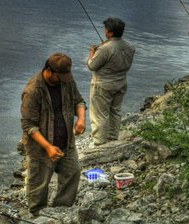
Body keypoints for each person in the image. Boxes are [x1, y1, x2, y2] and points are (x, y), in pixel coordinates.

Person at [20, 52, 86, 216]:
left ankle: (60, 211)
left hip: (66, 142)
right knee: (39, 184)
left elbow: (79, 101)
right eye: (60, 77)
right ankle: (37, 214)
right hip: (41, 148)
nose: (64, 80)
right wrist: (48, 147)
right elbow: (29, 125)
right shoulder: (33, 90)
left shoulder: (66, 81)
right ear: (49, 71)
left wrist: (82, 119)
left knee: (73, 172)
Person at [87, 17, 135, 145]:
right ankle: (113, 137)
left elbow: (92, 66)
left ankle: (99, 142)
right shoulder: (130, 47)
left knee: (100, 114)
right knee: (115, 111)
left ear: (110, 33)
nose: (105, 31)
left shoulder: (105, 48)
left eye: (106, 29)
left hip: (103, 85)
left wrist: (92, 53)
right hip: (121, 83)